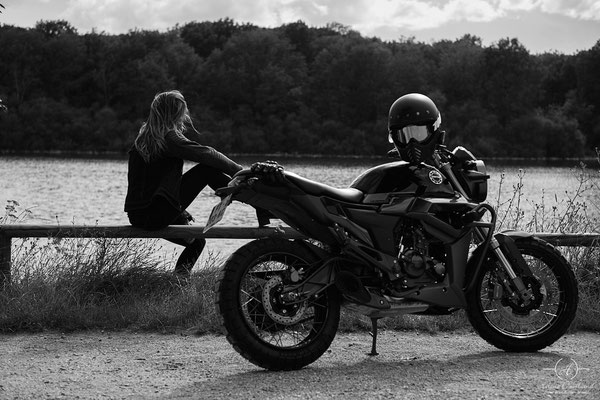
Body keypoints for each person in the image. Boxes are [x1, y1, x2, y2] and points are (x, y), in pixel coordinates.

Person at [124, 90, 243, 276]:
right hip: (156, 214)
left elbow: (151, 184)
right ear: (176, 114)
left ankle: (178, 282)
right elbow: (206, 153)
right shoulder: (168, 137)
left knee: (196, 242)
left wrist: (180, 211)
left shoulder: (143, 138)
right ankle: (251, 196)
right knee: (207, 169)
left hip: (138, 215)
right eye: (182, 112)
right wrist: (240, 171)